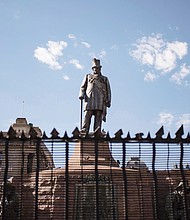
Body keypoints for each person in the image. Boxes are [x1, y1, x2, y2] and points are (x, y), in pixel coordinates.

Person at [79, 58, 111, 133]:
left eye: (97, 68)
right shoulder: (88, 76)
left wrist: (108, 100)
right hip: (89, 98)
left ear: (100, 69)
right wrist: (81, 94)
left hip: (100, 99)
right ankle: (85, 129)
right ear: (92, 69)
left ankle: (97, 130)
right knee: (87, 114)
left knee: (98, 115)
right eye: (94, 68)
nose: (96, 70)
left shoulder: (104, 79)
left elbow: (108, 90)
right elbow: (83, 87)